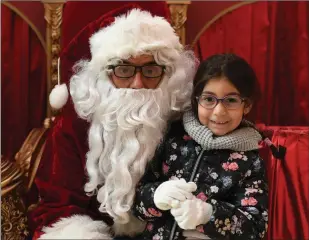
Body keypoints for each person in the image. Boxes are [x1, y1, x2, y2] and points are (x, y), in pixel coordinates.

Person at [28, 8, 198, 239]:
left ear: (168, 74)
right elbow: (59, 208)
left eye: (150, 70)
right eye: (124, 70)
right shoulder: (74, 128)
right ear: (103, 75)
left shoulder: (184, 121)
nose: (137, 84)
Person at [132, 53, 269, 240]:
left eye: (231, 100)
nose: (219, 111)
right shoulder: (172, 136)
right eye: (209, 99)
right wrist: (155, 196)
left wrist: (208, 215)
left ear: (247, 105)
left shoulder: (250, 161)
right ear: (196, 99)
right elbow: (135, 201)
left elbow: (255, 227)